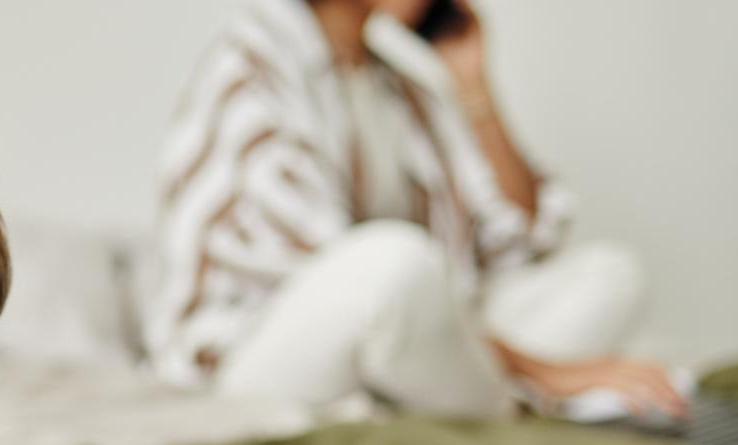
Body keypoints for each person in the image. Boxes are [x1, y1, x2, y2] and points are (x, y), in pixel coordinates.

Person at [142, 0, 686, 418]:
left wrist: (472, 83)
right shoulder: (252, 68)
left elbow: (519, 242)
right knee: (395, 263)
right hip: (255, 362)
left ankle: (456, 403)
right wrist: (549, 373)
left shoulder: (393, 85)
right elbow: (344, 278)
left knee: (611, 275)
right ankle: (516, 412)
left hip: (409, 346)